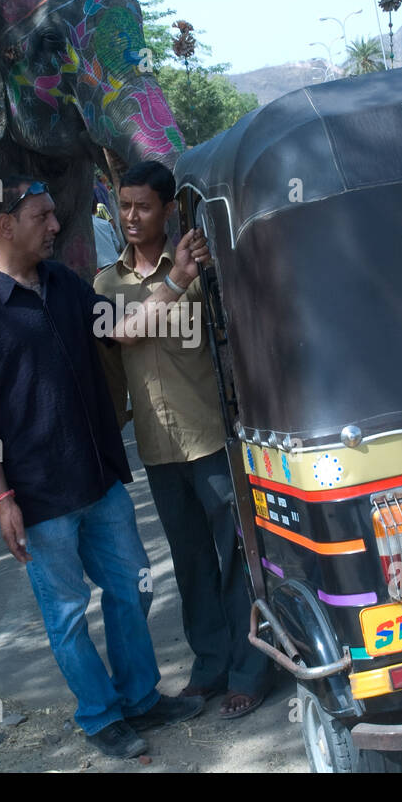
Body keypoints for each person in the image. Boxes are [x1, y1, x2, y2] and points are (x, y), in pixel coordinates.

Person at [0, 174, 210, 759]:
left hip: (97, 478)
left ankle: (140, 697)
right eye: (41, 216)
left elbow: (122, 327)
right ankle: (100, 715)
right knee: (67, 615)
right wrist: (1, 499)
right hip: (38, 497)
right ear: (4, 224)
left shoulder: (63, 284)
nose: (55, 225)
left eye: (52, 215)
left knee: (132, 588)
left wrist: (175, 281)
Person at [96, 160, 271, 719]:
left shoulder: (203, 266)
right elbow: (118, 338)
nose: (131, 217)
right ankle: (210, 668)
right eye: (124, 206)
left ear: (168, 210)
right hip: (157, 448)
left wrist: (197, 274)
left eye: (143, 206)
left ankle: (252, 670)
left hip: (212, 438)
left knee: (236, 557)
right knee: (190, 561)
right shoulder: (108, 284)